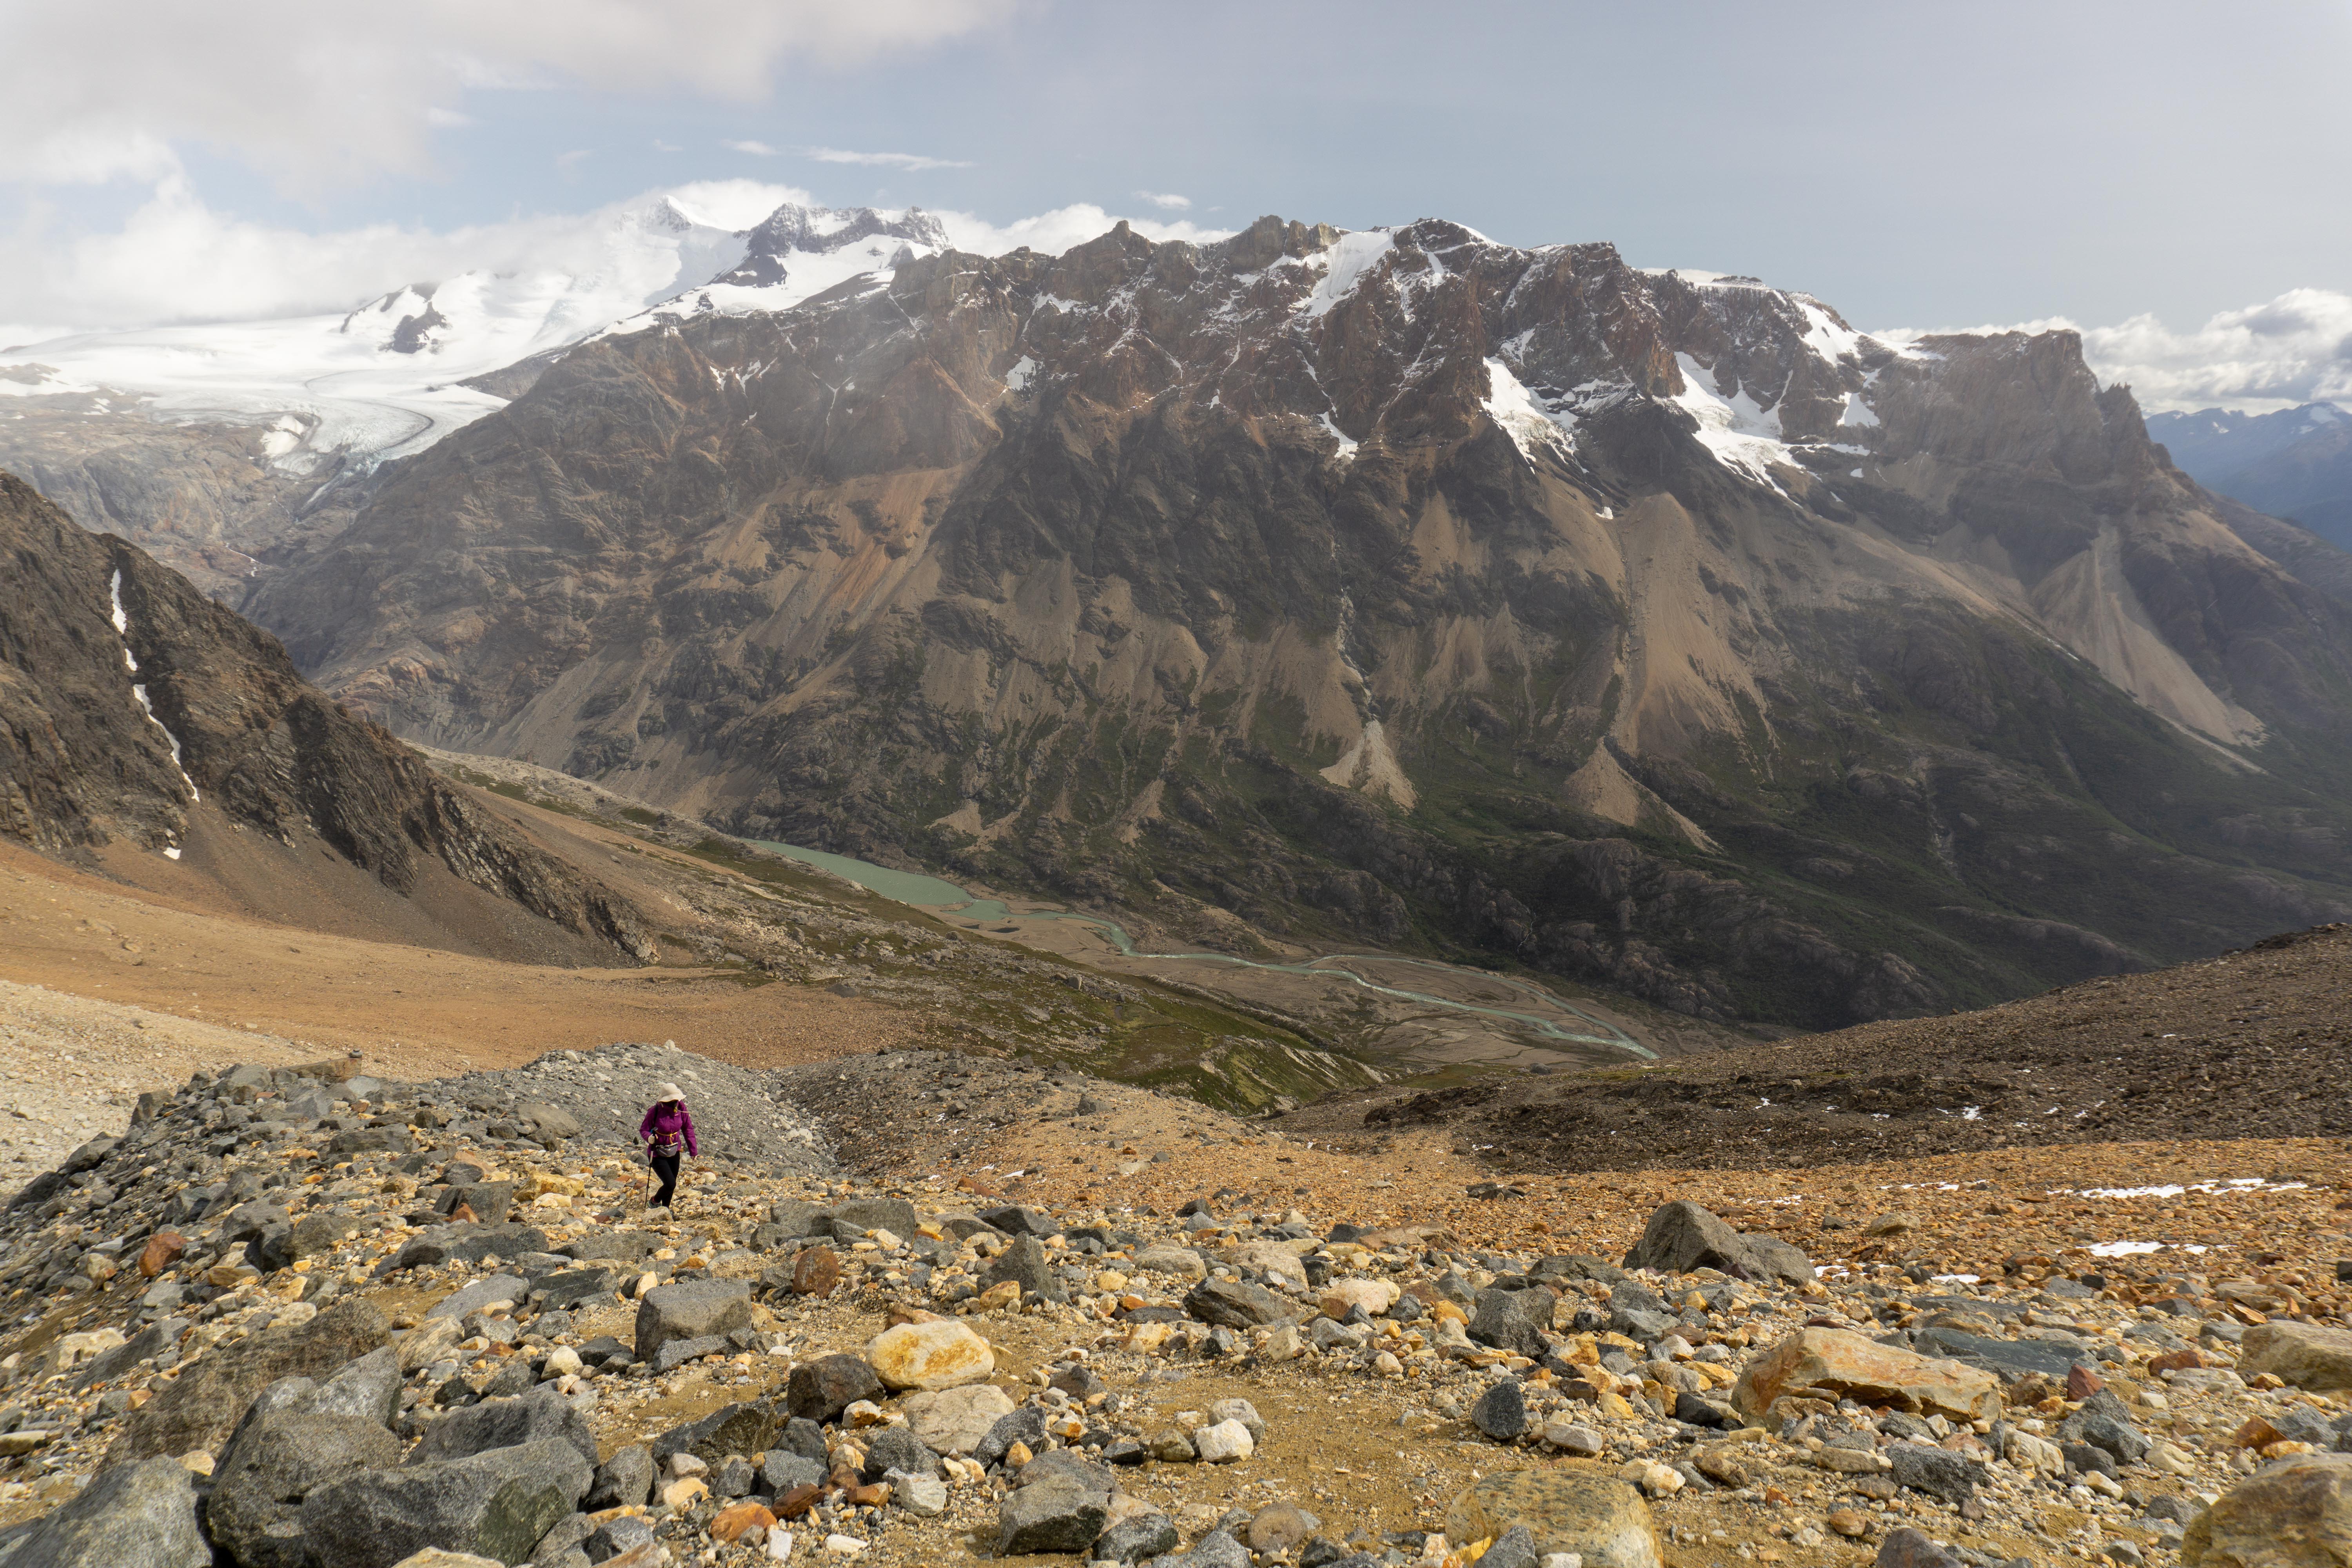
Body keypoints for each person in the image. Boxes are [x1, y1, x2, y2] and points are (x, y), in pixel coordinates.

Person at [637, 1083, 697, 1209]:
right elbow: (644, 1130)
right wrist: (649, 1138)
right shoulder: (655, 1111)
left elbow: (688, 1129)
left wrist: (693, 1151)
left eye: (676, 1100)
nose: (675, 1103)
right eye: (672, 1101)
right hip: (658, 1152)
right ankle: (654, 1202)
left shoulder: (681, 1108)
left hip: (674, 1150)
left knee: (672, 1184)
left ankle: (666, 1210)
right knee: (670, 1184)